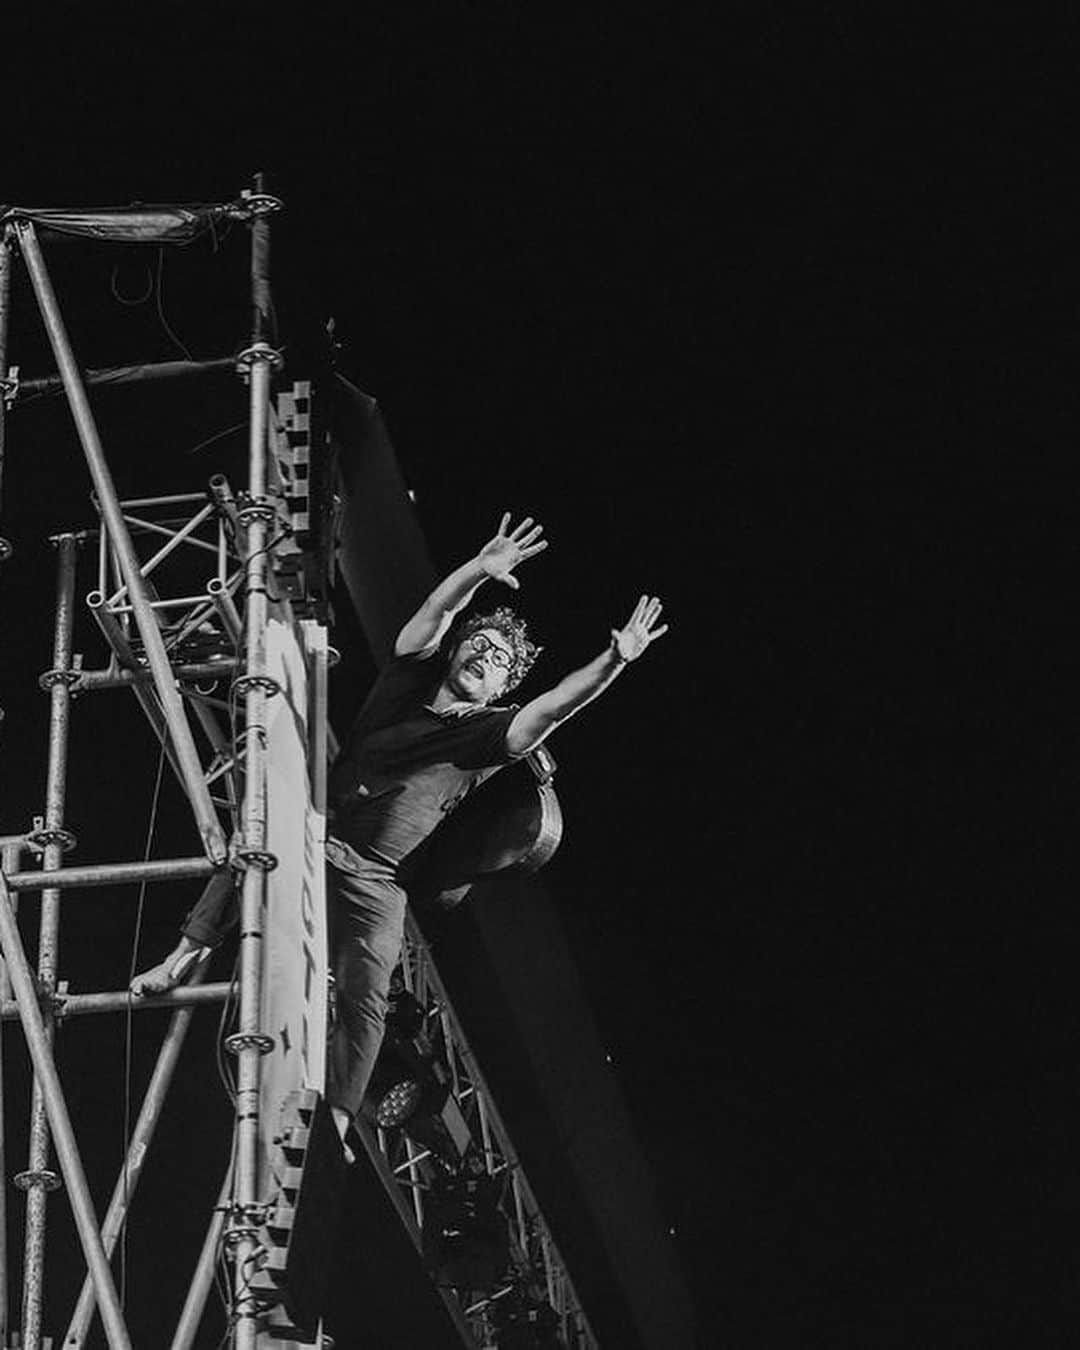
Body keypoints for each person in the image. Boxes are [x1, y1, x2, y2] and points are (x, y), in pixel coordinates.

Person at [132, 513, 668, 1157]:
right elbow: (432, 620)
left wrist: (614, 659)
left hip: (374, 878)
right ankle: (183, 958)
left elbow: (555, 705)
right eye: (483, 644)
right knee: (255, 836)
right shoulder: (408, 680)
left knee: (369, 992)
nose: (486, 657)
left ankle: (333, 1115)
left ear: (503, 687)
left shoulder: (489, 736)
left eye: (501, 661)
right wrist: (477, 569)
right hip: (314, 832)